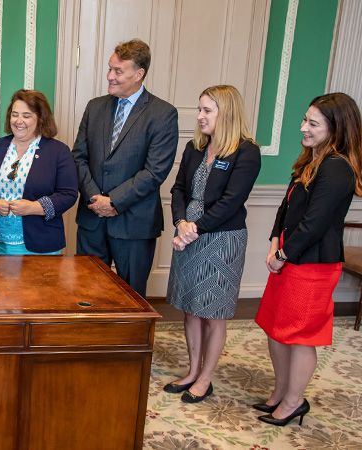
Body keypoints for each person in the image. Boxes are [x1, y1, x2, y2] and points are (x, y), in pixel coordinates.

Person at [254, 93, 362, 426]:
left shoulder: (337, 168)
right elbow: (286, 209)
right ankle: (281, 392)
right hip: (288, 259)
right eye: (305, 119)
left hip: (312, 265)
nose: (303, 127)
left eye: (313, 123)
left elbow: (313, 224)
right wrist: (274, 243)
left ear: (336, 128)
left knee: (299, 335)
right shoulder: (311, 160)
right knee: (276, 329)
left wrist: (284, 254)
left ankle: (294, 401)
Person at [162, 85, 261, 403]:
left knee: (213, 312)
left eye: (207, 110)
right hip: (187, 234)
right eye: (200, 109)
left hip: (222, 240)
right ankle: (192, 371)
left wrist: (195, 228)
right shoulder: (194, 147)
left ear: (226, 113)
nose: (200, 116)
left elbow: (232, 201)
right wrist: (181, 223)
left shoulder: (246, 152)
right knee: (191, 309)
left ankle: (206, 378)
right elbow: (178, 189)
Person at [71, 38, 178, 296]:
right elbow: (78, 157)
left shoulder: (163, 114)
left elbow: (155, 172)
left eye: (118, 71)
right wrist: (97, 198)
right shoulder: (95, 107)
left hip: (134, 223)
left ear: (139, 74)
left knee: (131, 297)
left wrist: (114, 201)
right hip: (91, 218)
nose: (110, 76)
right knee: (86, 294)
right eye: (110, 68)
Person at [0, 89, 78, 255]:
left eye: (26, 116)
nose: (19, 121)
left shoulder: (58, 151)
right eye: (15, 114)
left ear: (40, 119)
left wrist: (33, 207)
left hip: (41, 245)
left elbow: (68, 194)